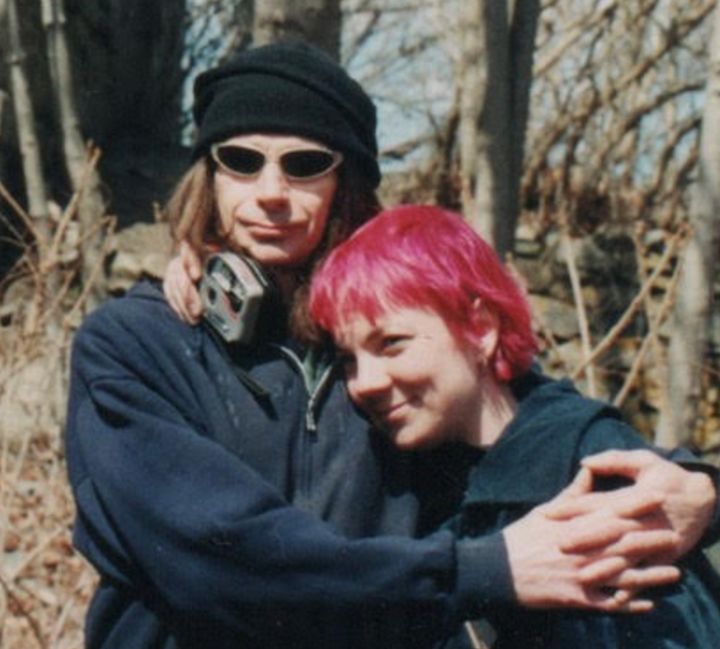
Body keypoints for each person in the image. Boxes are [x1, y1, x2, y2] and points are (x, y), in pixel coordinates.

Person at [66, 41, 718, 649]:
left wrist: (700, 489)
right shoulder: (133, 345)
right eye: (240, 160)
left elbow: (535, 426)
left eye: (304, 164)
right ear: (208, 176)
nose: (269, 192)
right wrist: (486, 569)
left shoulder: (390, 357)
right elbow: (219, 556)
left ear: (344, 184)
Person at [307, 203, 720, 648]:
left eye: (392, 344)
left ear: (480, 328)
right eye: (349, 360)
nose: (363, 383)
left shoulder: (588, 465)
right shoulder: (401, 473)